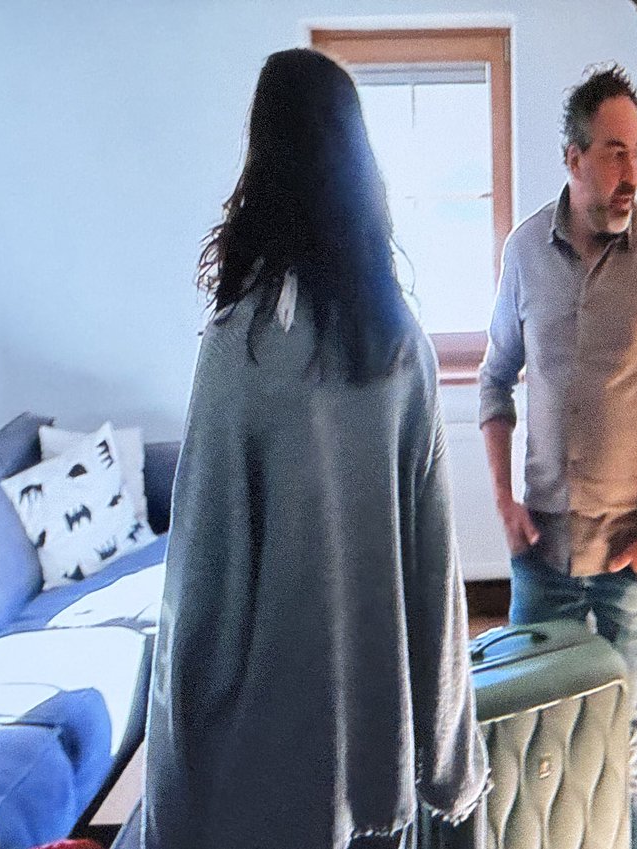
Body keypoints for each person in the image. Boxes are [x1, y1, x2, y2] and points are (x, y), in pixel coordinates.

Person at [141, 48, 487, 849]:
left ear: (262, 163)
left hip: (266, 773)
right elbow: (436, 571)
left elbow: (201, 589)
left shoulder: (240, 345)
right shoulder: (400, 344)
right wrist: (449, 764)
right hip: (378, 757)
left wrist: (171, 793)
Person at [478, 64, 637, 849]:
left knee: (634, 759)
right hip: (541, 552)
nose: (633, 172)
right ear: (573, 158)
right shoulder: (523, 252)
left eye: (636, 150)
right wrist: (503, 502)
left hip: (629, 558)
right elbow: (494, 379)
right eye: (615, 152)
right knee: (529, 743)